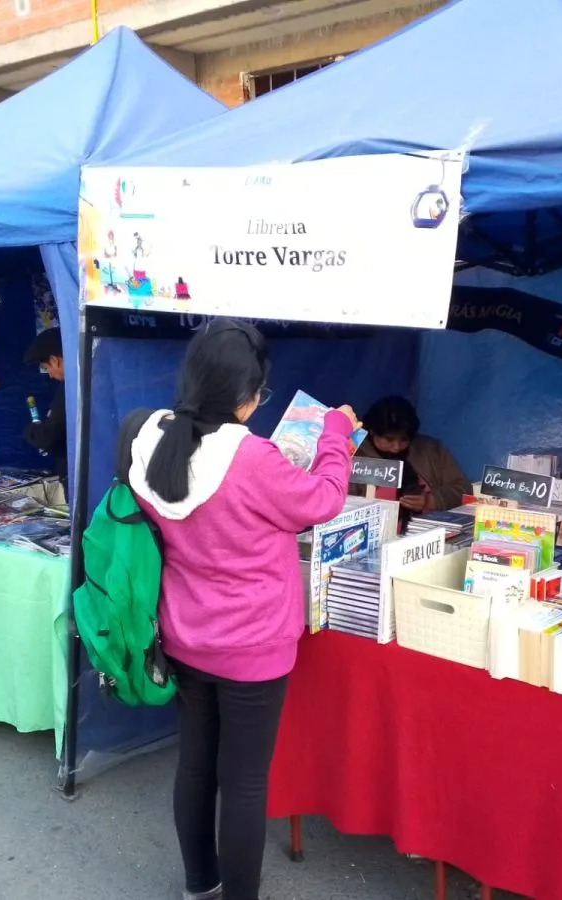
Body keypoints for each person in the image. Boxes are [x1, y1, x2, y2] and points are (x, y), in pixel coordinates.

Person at [125, 319, 356, 900]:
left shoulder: (149, 439)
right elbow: (324, 499)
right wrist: (336, 433)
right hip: (254, 646)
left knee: (195, 767)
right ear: (246, 398)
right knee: (245, 784)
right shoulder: (251, 459)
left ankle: (199, 884)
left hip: (184, 636)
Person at [356, 395, 472, 513]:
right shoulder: (355, 452)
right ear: (372, 432)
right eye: (389, 439)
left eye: (404, 439)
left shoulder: (430, 450)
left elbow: (464, 489)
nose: (396, 446)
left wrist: (431, 500)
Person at [22, 326, 68, 484]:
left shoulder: (70, 388)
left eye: (46, 368)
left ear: (55, 361)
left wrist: (33, 431)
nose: (50, 374)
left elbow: (50, 436)